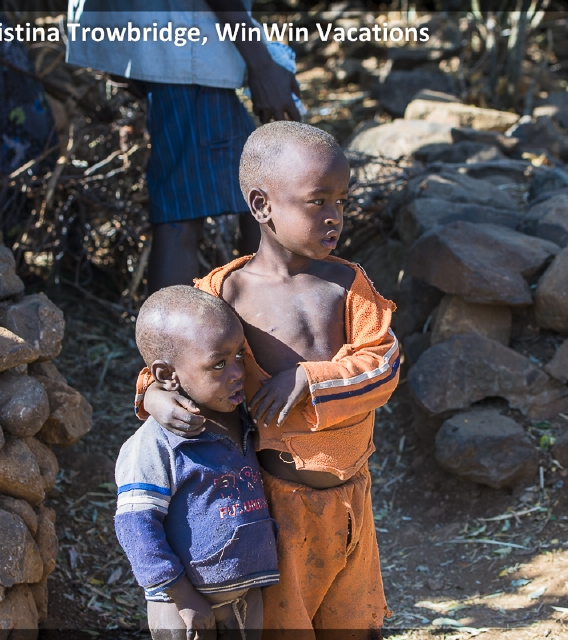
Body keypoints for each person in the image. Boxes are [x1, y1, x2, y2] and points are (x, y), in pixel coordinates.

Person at [136, 121, 400, 638]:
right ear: (262, 205)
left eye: (341, 202)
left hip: (351, 501)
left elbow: (384, 365)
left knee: (356, 622)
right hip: (272, 508)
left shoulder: (348, 284)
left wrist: (311, 379)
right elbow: (174, 362)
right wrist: (155, 397)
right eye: (317, 201)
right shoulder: (223, 293)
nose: (334, 216)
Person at [66, 0, 301, 292]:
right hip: (187, 52)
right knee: (182, 215)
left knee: (247, 195)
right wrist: (261, 64)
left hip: (173, 48)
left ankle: (252, 312)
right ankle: (235, 316)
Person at [115, 285, 279, 639]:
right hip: (182, 608)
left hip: (245, 599)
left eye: (239, 355)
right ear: (166, 376)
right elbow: (136, 529)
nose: (237, 372)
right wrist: (184, 597)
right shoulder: (154, 445)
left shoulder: (245, 421)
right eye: (219, 364)